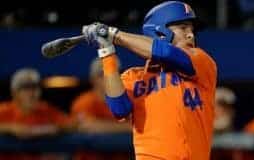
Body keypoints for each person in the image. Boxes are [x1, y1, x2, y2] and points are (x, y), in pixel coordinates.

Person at [81, 1, 217, 160]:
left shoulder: (201, 61)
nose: (190, 34)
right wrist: (106, 50)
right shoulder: (134, 77)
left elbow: (166, 53)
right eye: (183, 28)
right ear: (160, 32)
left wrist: (114, 35)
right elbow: (119, 109)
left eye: (192, 30)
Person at [0, 68, 72, 160]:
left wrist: (50, 129)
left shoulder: (45, 109)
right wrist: (9, 128)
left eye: (35, 87)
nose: (31, 93)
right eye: (25, 88)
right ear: (14, 92)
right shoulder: (4, 110)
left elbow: (71, 124)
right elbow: (19, 130)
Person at [71, 59, 130, 160]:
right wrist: (127, 127)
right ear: (92, 79)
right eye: (103, 73)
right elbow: (87, 126)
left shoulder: (127, 98)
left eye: (116, 72)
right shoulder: (85, 102)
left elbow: (139, 126)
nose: (110, 76)